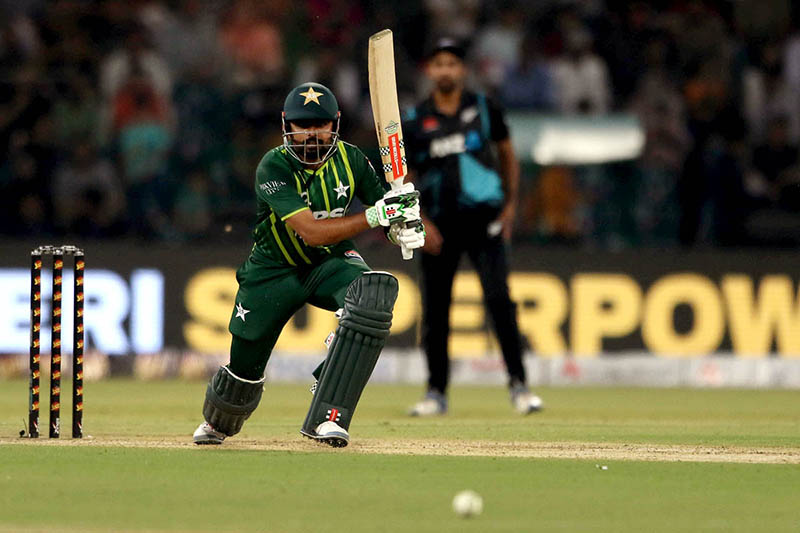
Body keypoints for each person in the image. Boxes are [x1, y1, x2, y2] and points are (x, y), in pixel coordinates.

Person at [193, 82, 425, 447]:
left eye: (320, 124)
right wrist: (379, 216)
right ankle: (219, 422)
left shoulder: (351, 160)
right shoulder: (273, 165)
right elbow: (312, 233)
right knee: (243, 372)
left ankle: (329, 416)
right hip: (272, 271)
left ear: (335, 124)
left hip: (329, 264)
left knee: (371, 295)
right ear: (287, 125)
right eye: (303, 124)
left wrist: (402, 228)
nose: (312, 133)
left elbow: (390, 209)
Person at [403, 38, 542, 416]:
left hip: (484, 221)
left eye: (452, 63)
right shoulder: (414, 121)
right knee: (436, 310)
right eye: (438, 63)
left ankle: (519, 385)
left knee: (499, 300)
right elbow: (405, 178)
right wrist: (420, 222)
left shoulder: (484, 108)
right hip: (437, 227)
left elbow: (508, 156)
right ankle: (435, 392)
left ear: (462, 69)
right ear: (429, 71)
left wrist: (511, 207)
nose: (445, 70)